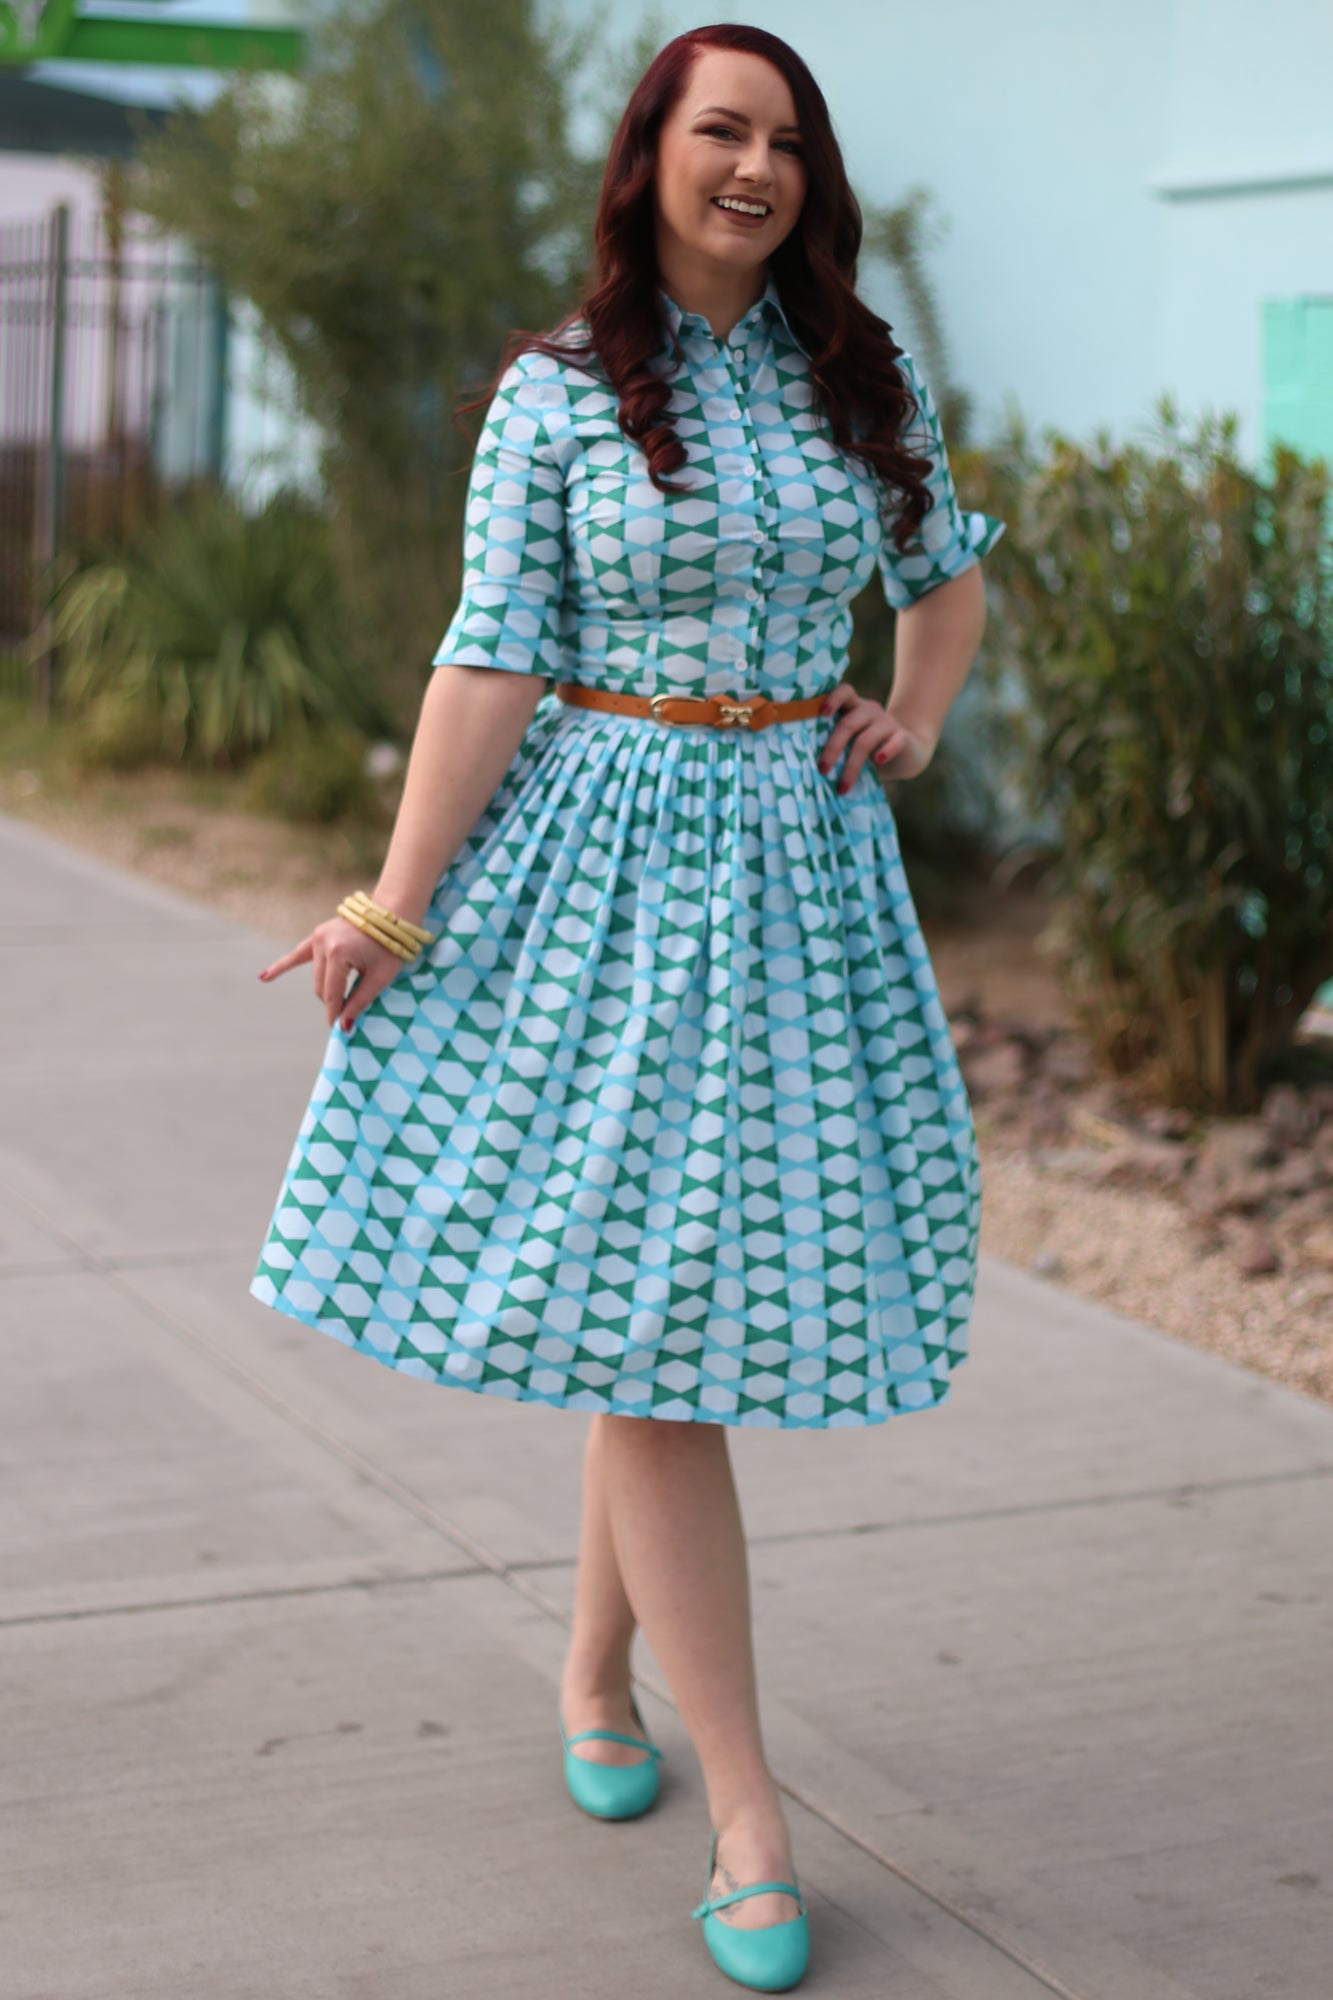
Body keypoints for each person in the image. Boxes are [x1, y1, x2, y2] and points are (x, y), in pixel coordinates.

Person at [251, 21, 1002, 1993]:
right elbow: (488, 661)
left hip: (801, 881)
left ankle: (594, 1663)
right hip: (602, 881)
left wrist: (911, 716)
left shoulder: (860, 374)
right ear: (648, 155)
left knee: (659, 1308)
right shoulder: (559, 392)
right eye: (716, 132)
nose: (750, 168)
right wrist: (391, 907)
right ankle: (748, 1807)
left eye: (780, 141)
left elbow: (946, 575)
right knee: (661, 1329)